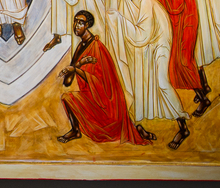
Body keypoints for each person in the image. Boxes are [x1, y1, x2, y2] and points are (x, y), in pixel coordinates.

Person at [107, 0, 192, 150]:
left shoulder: (144, 0)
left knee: (161, 82)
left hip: (159, 42)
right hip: (145, 45)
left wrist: (118, 20)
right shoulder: (125, 0)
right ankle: (138, 126)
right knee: (136, 82)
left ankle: (183, 126)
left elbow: (142, 34)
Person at [56, 11, 151, 145]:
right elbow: (71, 76)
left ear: (87, 25)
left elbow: (99, 82)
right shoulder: (81, 46)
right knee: (66, 97)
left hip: (105, 104)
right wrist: (77, 66)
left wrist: (75, 69)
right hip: (92, 97)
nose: (76, 26)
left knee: (67, 97)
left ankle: (136, 129)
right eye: (75, 21)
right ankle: (75, 130)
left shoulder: (96, 47)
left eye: (81, 23)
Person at [143, 0, 211, 116]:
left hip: (184, 15)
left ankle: (203, 97)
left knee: (183, 60)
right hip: (170, 17)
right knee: (176, 60)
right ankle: (202, 88)